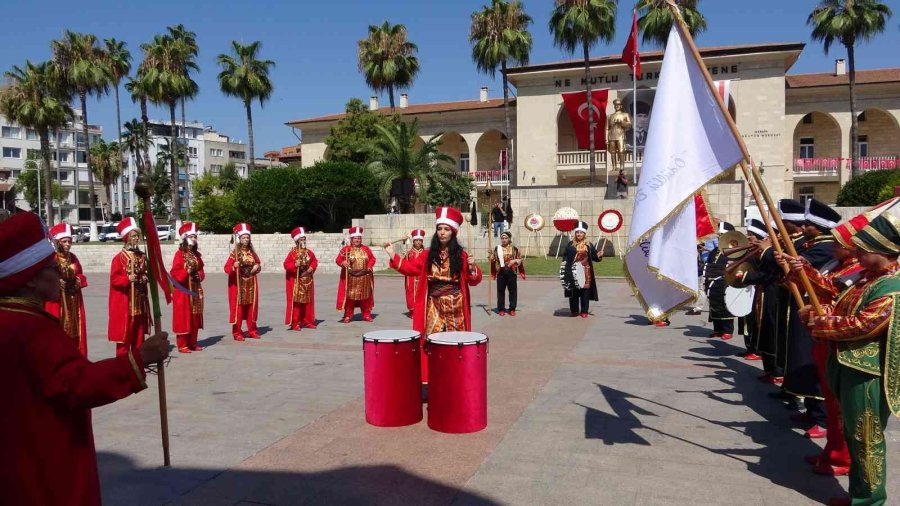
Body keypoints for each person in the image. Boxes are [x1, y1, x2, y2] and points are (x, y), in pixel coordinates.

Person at [0, 211, 170, 506]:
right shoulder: (32, 329)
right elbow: (78, 384)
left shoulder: (12, 318)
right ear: (29, 280)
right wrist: (139, 359)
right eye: (51, 267)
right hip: (44, 459)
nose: (59, 272)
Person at [807, 210, 900, 506]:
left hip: (868, 375)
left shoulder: (892, 287)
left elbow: (864, 324)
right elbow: (839, 303)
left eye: (862, 249)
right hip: (849, 367)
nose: (856, 253)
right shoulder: (867, 279)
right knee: (855, 436)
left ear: (881, 252)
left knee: (867, 440)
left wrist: (821, 324)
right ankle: (859, 494)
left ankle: (869, 500)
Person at [781, 213, 869, 479]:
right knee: (833, 405)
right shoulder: (839, 262)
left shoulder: (858, 270)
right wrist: (799, 269)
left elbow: (833, 292)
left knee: (841, 408)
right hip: (825, 339)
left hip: (840, 345)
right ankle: (832, 451)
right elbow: (826, 285)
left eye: (839, 243)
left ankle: (842, 457)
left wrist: (803, 271)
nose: (834, 247)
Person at [383, 206, 483, 384]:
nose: (442, 233)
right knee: (430, 340)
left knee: (457, 341)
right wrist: (393, 255)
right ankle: (430, 379)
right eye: (439, 229)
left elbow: (473, 280)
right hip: (434, 303)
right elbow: (411, 269)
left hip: (456, 303)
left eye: (446, 229)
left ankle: (456, 379)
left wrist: (473, 267)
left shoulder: (462, 255)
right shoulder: (428, 255)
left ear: (453, 232)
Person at [782, 198, 840, 440]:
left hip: (820, 313)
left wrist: (793, 264)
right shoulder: (813, 245)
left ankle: (821, 417)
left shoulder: (824, 247)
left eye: (808, 225)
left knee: (813, 364)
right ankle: (811, 409)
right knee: (802, 359)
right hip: (808, 310)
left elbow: (821, 280)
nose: (802, 228)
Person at [108, 217, 151, 357]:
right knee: (125, 333)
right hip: (126, 302)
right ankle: (123, 362)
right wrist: (127, 279)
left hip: (139, 300)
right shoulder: (119, 258)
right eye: (133, 236)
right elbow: (114, 279)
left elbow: (144, 272)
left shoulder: (141, 256)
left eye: (137, 236)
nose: (136, 239)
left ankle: (137, 359)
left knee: (138, 332)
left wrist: (145, 277)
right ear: (126, 238)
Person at [44, 222, 88, 356]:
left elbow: (81, 274)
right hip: (58, 303)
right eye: (65, 241)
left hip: (73, 300)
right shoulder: (51, 259)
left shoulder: (73, 258)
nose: (68, 244)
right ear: (58, 242)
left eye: (70, 241)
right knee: (57, 333)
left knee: (75, 332)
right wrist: (57, 282)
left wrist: (78, 280)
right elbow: (44, 278)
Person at [170, 222, 205, 353]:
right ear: (185, 238)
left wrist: (199, 275)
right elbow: (175, 274)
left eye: (195, 237)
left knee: (195, 316)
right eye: (192, 236)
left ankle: (193, 342)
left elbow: (201, 271)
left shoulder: (197, 255)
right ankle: (182, 344)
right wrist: (187, 272)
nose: (194, 239)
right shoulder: (179, 254)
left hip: (195, 289)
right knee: (184, 317)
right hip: (183, 291)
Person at [225, 223, 261, 340]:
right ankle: (237, 333)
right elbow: (226, 268)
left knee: (251, 307)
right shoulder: (235, 253)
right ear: (239, 239)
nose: (246, 239)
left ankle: (252, 330)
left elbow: (258, 262)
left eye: (247, 237)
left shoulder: (252, 252)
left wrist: (257, 266)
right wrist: (234, 266)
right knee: (238, 309)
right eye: (243, 237)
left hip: (251, 283)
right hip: (239, 284)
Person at [563, 221, 603, 318]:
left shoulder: (588, 245)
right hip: (573, 272)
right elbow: (565, 257)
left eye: (581, 232)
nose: (579, 234)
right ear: (575, 233)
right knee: (574, 292)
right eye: (577, 232)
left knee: (585, 292)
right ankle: (574, 310)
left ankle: (584, 311)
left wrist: (599, 256)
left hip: (586, 273)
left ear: (584, 234)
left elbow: (594, 257)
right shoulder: (570, 245)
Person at [336, 226, 376, 323]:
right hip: (351, 278)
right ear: (351, 239)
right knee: (350, 297)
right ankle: (348, 315)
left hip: (364, 277)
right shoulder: (346, 249)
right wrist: (343, 263)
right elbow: (338, 260)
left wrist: (369, 266)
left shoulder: (366, 249)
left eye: (359, 238)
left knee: (365, 297)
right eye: (355, 238)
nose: (357, 240)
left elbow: (372, 259)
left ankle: (366, 315)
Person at [705, 221, 736, 339]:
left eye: (722, 235)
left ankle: (727, 330)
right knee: (714, 305)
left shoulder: (734, 250)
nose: (720, 237)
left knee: (725, 305)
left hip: (725, 281)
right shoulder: (714, 251)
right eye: (719, 235)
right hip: (713, 281)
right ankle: (717, 329)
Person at [283, 226, 318, 331]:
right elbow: (286, 265)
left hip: (307, 280)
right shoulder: (292, 253)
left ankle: (308, 321)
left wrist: (312, 267)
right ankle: (295, 322)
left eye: (304, 238)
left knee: (308, 302)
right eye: (301, 239)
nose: (303, 240)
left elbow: (314, 261)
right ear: (297, 240)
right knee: (297, 302)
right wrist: (294, 264)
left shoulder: (309, 252)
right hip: (296, 281)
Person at [490, 230, 525, 316]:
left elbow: (520, 260)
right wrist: (491, 257)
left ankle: (512, 308)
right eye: (502, 238)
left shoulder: (514, 249)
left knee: (512, 291)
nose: (504, 239)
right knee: (500, 291)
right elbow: (493, 259)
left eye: (506, 238)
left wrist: (514, 261)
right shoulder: (497, 248)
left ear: (509, 238)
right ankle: (501, 309)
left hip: (511, 272)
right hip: (501, 272)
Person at [403, 229, 427, 318]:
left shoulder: (425, 253)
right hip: (411, 278)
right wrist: (404, 259)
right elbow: (404, 265)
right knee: (411, 294)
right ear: (413, 241)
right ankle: (412, 311)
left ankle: (421, 310)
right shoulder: (408, 253)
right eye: (416, 240)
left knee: (422, 293)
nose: (418, 242)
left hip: (421, 277)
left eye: (420, 240)